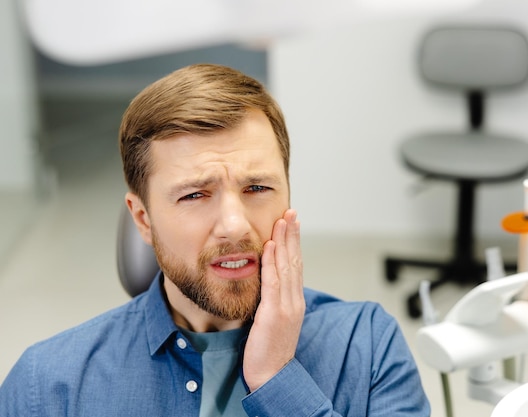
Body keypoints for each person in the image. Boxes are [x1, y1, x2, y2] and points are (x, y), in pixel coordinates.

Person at [0, 63, 430, 416]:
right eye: (194, 195)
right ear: (143, 219)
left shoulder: (368, 346)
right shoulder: (48, 387)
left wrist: (280, 382)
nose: (235, 225)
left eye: (258, 188)